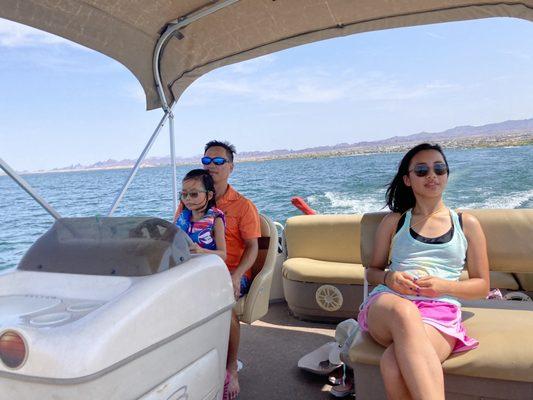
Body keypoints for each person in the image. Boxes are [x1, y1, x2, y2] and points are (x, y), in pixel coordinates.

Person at [358, 143, 490, 400]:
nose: (432, 175)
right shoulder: (394, 222)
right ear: (408, 179)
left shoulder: (467, 224)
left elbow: (482, 286)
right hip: (389, 303)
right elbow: (371, 271)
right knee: (403, 311)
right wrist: (389, 277)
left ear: (447, 175)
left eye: (439, 169)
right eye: (422, 170)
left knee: (393, 364)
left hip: (438, 311)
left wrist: (445, 286)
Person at [174, 140, 260, 400]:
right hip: (195, 271)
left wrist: (236, 276)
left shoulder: (243, 206)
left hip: (229, 272)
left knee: (224, 306)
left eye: (219, 161)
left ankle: (231, 368)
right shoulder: (190, 202)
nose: (212, 165)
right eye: (207, 161)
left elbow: (253, 248)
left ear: (231, 167)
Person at [175, 169, 226, 260]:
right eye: (184, 194)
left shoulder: (216, 220)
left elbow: (223, 255)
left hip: (206, 268)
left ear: (209, 195)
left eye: (194, 194)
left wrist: (202, 251)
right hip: (184, 267)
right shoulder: (183, 216)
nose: (187, 198)